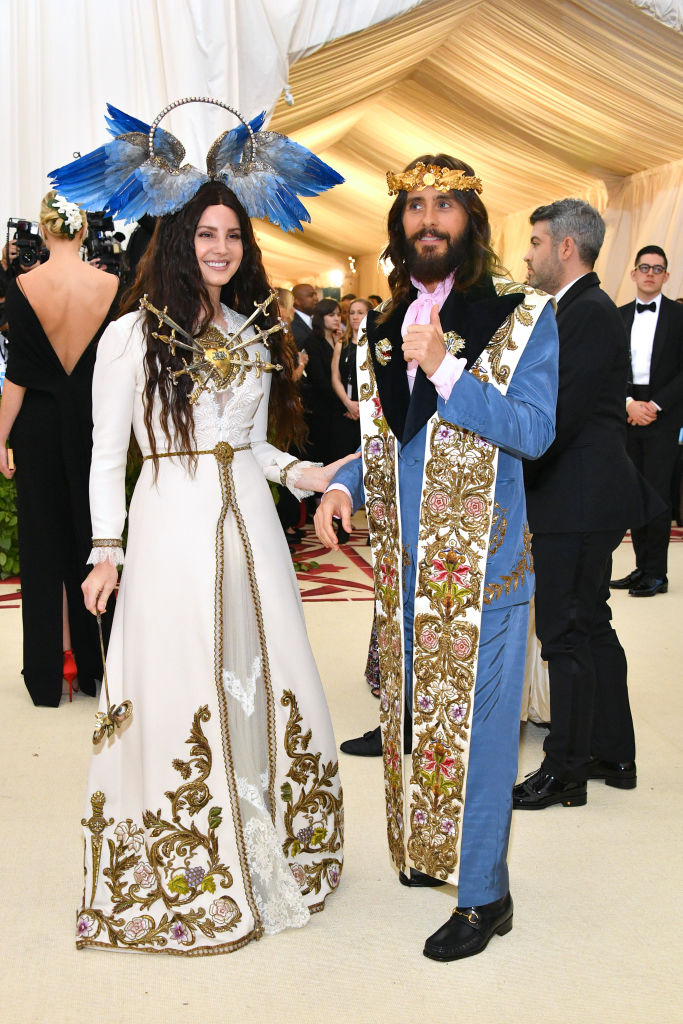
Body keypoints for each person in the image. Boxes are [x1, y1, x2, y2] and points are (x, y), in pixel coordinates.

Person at [50, 98, 350, 954]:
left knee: (261, 673)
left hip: (252, 528)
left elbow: (252, 446)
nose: (221, 249)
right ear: (178, 242)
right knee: (182, 680)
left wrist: (304, 473)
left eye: (233, 237)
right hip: (172, 528)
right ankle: (186, 860)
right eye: (206, 235)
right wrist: (105, 550)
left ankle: (266, 845)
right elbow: (110, 456)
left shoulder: (254, 335)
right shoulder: (131, 340)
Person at [315, 154, 558, 961]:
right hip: (404, 571)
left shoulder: (523, 316)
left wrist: (447, 369)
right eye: (415, 206)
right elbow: (385, 440)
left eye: (444, 207)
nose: (427, 219)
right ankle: (430, 851)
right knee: (421, 725)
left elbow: (532, 432)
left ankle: (485, 895)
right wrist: (346, 484)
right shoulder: (378, 331)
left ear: (471, 224)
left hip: (485, 572)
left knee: (484, 734)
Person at [515, 199, 661, 810]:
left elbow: (559, 416)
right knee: (591, 622)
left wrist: (510, 463)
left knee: (565, 632)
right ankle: (612, 750)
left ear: (566, 248)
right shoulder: (581, 307)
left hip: (574, 495)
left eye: (536, 242)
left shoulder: (587, 311)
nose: (528, 253)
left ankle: (566, 769)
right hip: (584, 490)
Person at [0, 191, 118, 706]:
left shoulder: (25, 284)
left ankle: (47, 679)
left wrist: (0, 436)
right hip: (94, 423)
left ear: (44, 233)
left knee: (42, 546)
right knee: (94, 541)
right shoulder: (112, 285)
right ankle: (98, 671)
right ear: (84, 231)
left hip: (37, 426)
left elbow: (18, 378)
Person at [610, 246, 683, 596]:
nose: (651, 273)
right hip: (626, 413)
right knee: (632, 491)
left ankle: (658, 573)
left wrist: (654, 405)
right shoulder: (618, 316)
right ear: (634, 273)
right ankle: (641, 568)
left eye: (658, 269)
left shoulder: (680, 317)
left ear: (666, 276)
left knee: (657, 493)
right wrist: (628, 404)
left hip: (663, 415)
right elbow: (609, 369)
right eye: (644, 267)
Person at [330, 297, 371, 460]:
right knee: (342, 459)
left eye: (360, 313)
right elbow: (335, 377)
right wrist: (348, 404)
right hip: (344, 410)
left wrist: (362, 408)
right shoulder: (342, 343)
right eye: (352, 313)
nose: (355, 316)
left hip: (368, 412)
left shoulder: (375, 345)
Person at [289, 282, 317, 350]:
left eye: (315, 294)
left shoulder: (318, 319)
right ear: (297, 301)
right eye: (311, 295)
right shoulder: (291, 323)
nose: (316, 298)